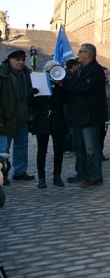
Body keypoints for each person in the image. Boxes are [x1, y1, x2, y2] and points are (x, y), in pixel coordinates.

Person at [60, 43, 108, 187]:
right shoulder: (81, 70)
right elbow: (73, 85)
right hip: (78, 115)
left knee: (91, 148)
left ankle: (95, 176)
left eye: (80, 52)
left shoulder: (95, 70)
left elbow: (83, 88)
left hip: (89, 116)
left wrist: (64, 84)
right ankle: (82, 173)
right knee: (79, 147)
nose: (78, 54)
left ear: (87, 54)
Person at [0, 49, 36, 183]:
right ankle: (2, 175)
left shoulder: (26, 73)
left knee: (22, 146)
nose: (21, 62)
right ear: (10, 60)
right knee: (3, 149)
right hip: (7, 118)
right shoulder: (2, 74)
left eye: (23, 60)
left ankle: (20, 171)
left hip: (22, 117)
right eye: (18, 60)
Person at [32, 61, 67, 188]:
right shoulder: (38, 84)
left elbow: (63, 101)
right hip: (43, 119)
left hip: (57, 118)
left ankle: (57, 175)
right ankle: (41, 178)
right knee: (42, 150)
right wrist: (32, 93)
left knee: (58, 150)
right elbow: (31, 103)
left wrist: (59, 86)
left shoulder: (61, 85)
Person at [62, 58, 80, 154]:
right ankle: (68, 147)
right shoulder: (69, 77)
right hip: (68, 106)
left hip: (68, 105)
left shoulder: (67, 75)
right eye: (77, 66)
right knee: (69, 127)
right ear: (73, 66)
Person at [101, 66, 110, 162]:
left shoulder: (108, 85)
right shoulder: (97, 85)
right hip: (99, 115)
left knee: (103, 135)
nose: (105, 76)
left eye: (106, 74)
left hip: (107, 115)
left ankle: (100, 152)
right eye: (103, 74)